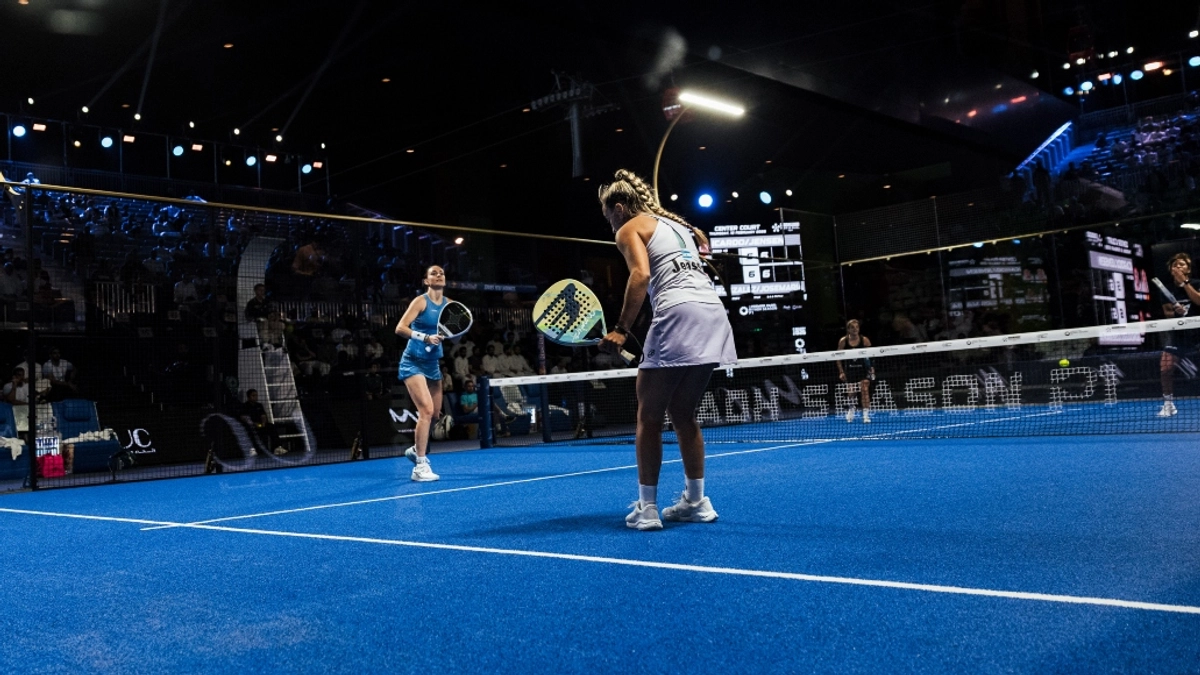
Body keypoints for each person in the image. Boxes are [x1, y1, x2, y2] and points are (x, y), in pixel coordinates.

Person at [597, 169, 736, 531]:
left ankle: (647, 508)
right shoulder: (680, 227)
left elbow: (640, 276)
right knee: (683, 412)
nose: (609, 222)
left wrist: (621, 330)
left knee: (649, 416)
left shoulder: (629, 228)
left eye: (607, 214)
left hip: (679, 312)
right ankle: (696, 500)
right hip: (713, 314)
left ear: (619, 206)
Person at [394, 265, 452, 482]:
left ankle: (414, 450)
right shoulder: (420, 301)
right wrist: (425, 337)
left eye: (442, 273)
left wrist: (444, 337)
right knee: (425, 411)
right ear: (426, 281)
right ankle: (420, 465)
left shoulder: (449, 305)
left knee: (435, 414)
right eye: (433, 273)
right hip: (412, 362)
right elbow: (400, 328)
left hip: (432, 363)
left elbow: (455, 330)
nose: (439, 275)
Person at [1157, 252, 1200, 417]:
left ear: (1188, 269)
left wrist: (1185, 283)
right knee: (1165, 368)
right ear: (1171, 269)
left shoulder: (1196, 283)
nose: (1178, 267)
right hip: (1179, 335)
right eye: (1175, 265)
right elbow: (1167, 312)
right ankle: (1168, 404)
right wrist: (1177, 312)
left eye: (1182, 264)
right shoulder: (1166, 290)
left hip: (1198, 332)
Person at [835, 320, 875, 423]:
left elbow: (872, 356)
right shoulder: (843, 341)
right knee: (851, 393)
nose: (855, 329)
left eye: (857, 327)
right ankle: (851, 409)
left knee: (865, 389)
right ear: (848, 329)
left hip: (863, 370)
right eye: (852, 327)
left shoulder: (864, 340)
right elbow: (838, 358)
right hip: (850, 370)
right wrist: (841, 372)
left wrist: (872, 368)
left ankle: (865, 415)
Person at [238, 389, 285, 455]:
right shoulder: (244, 406)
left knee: (271, 426)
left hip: (261, 425)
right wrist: (253, 423)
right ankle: (252, 449)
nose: (255, 397)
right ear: (248, 397)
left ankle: (277, 448)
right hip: (251, 426)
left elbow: (263, 415)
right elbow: (243, 418)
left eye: (256, 395)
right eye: (253, 395)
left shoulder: (259, 405)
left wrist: (263, 423)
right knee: (248, 428)